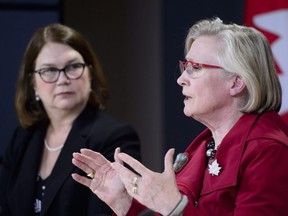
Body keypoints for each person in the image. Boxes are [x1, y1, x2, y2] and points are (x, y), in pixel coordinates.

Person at [71, 17, 288, 216]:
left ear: (236, 83)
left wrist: (177, 208)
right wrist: (124, 202)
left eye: (195, 67)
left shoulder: (268, 149)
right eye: (186, 66)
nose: (181, 79)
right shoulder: (201, 148)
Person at [0, 23, 141, 216]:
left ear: (90, 74)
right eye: (49, 70)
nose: (62, 79)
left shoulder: (116, 137)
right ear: (32, 83)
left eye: (73, 66)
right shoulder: (23, 137)